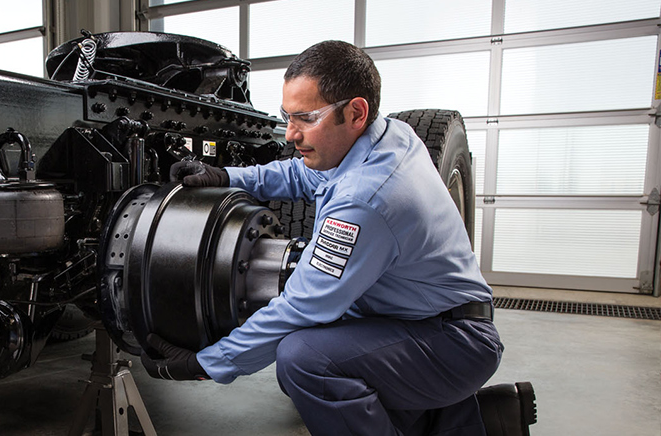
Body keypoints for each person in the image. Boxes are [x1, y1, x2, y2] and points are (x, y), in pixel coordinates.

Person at [143, 40, 517, 435]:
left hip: (453, 343)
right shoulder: (388, 135)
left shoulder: (366, 198)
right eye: (288, 117)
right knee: (331, 346)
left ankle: (453, 413)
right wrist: (228, 177)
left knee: (305, 360)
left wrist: (208, 363)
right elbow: (302, 175)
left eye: (305, 118)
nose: (290, 134)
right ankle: (470, 423)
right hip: (427, 320)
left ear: (355, 112)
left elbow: (300, 308)